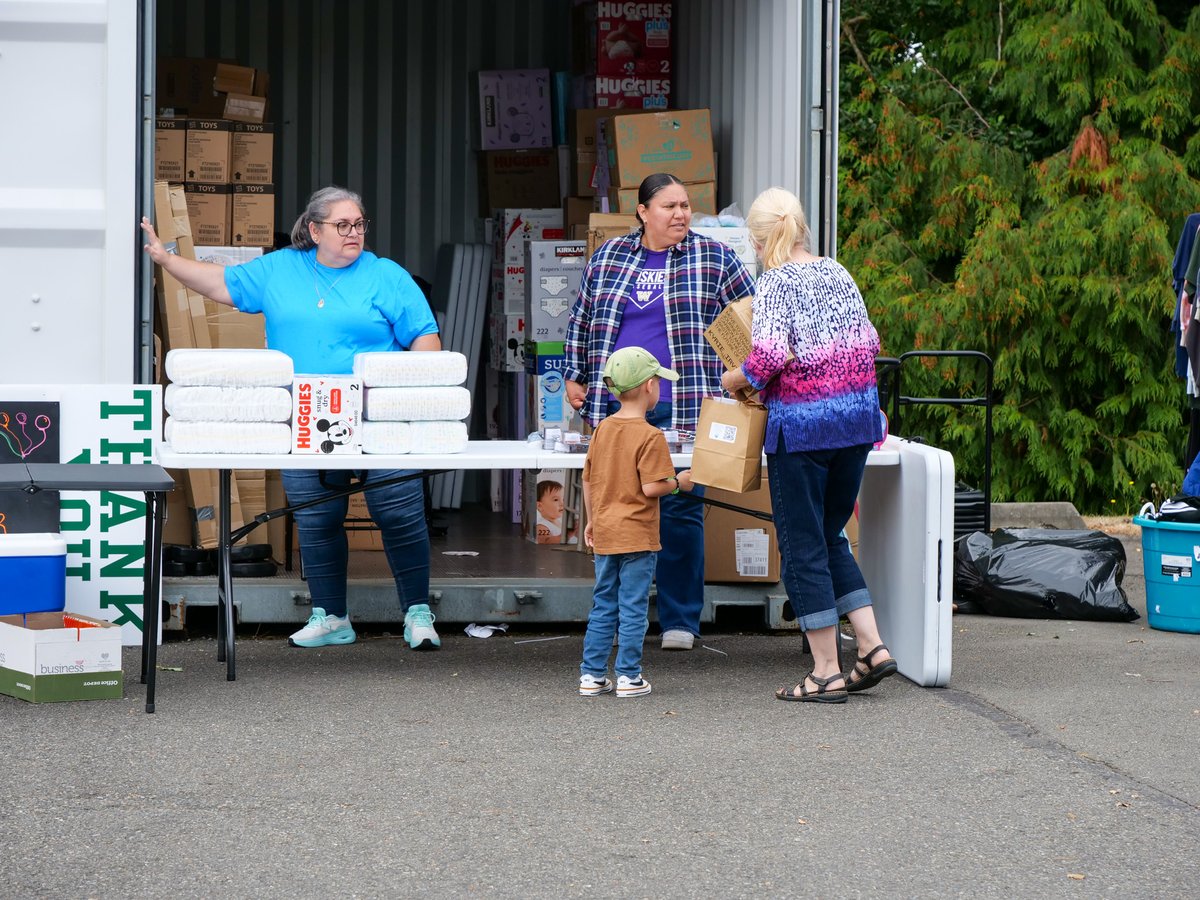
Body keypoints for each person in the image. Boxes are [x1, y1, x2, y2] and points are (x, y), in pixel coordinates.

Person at [141, 186, 444, 652]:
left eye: (359, 224)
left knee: (398, 512)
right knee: (317, 518)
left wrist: (411, 399)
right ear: (315, 230)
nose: (354, 232)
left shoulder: (386, 275)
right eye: (342, 225)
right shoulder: (281, 268)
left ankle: (418, 614)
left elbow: (425, 337)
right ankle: (331, 617)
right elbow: (221, 283)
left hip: (379, 418)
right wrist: (166, 259)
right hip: (306, 416)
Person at [564, 173, 755, 651]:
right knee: (615, 508)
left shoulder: (715, 257)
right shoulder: (609, 256)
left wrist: (745, 379)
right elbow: (581, 319)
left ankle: (679, 621)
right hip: (616, 409)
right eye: (669, 206)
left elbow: (752, 320)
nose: (681, 214)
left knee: (681, 508)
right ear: (643, 212)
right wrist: (574, 373)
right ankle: (615, 618)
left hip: (686, 406)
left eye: (685, 205)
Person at [721, 187, 895, 703]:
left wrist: (735, 379)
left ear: (758, 241)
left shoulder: (774, 283)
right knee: (830, 534)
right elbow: (871, 341)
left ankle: (825, 671)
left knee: (802, 545)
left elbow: (769, 356)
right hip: (856, 425)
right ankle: (872, 647)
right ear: (801, 227)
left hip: (803, 431)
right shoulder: (838, 272)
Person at [579, 347, 695, 698]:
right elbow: (652, 487)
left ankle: (592, 675)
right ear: (648, 387)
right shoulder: (650, 435)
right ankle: (629, 676)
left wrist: (591, 520)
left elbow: (587, 478)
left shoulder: (602, 430)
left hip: (606, 531)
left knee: (603, 604)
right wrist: (679, 482)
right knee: (633, 607)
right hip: (638, 537)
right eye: (658, 381)